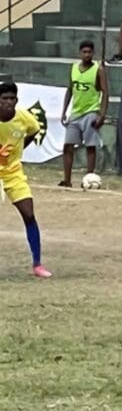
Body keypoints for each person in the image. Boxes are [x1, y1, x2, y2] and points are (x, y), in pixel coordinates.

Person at [0, 82, 52, 278]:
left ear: (17, 100)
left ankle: (37, 264)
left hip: (13, 173)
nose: (8, 102)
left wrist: (18, 149)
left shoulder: (24, 119)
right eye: (4, 98)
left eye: (12, 98)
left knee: (29, 214)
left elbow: (33, 130)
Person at [60, 39, 108, 188]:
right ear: (80, 53)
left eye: (89, 52)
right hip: (76, 112)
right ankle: (67, 179)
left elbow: (105, 92)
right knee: (68, 146)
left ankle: (89, 177)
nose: (87, 55)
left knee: (90, 146)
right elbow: (70, 89)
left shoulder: (98, 70)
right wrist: (64, 111)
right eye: (84, 52)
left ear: (93, 53)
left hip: (91, 111)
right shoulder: (74, 68)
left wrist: (102, 114)